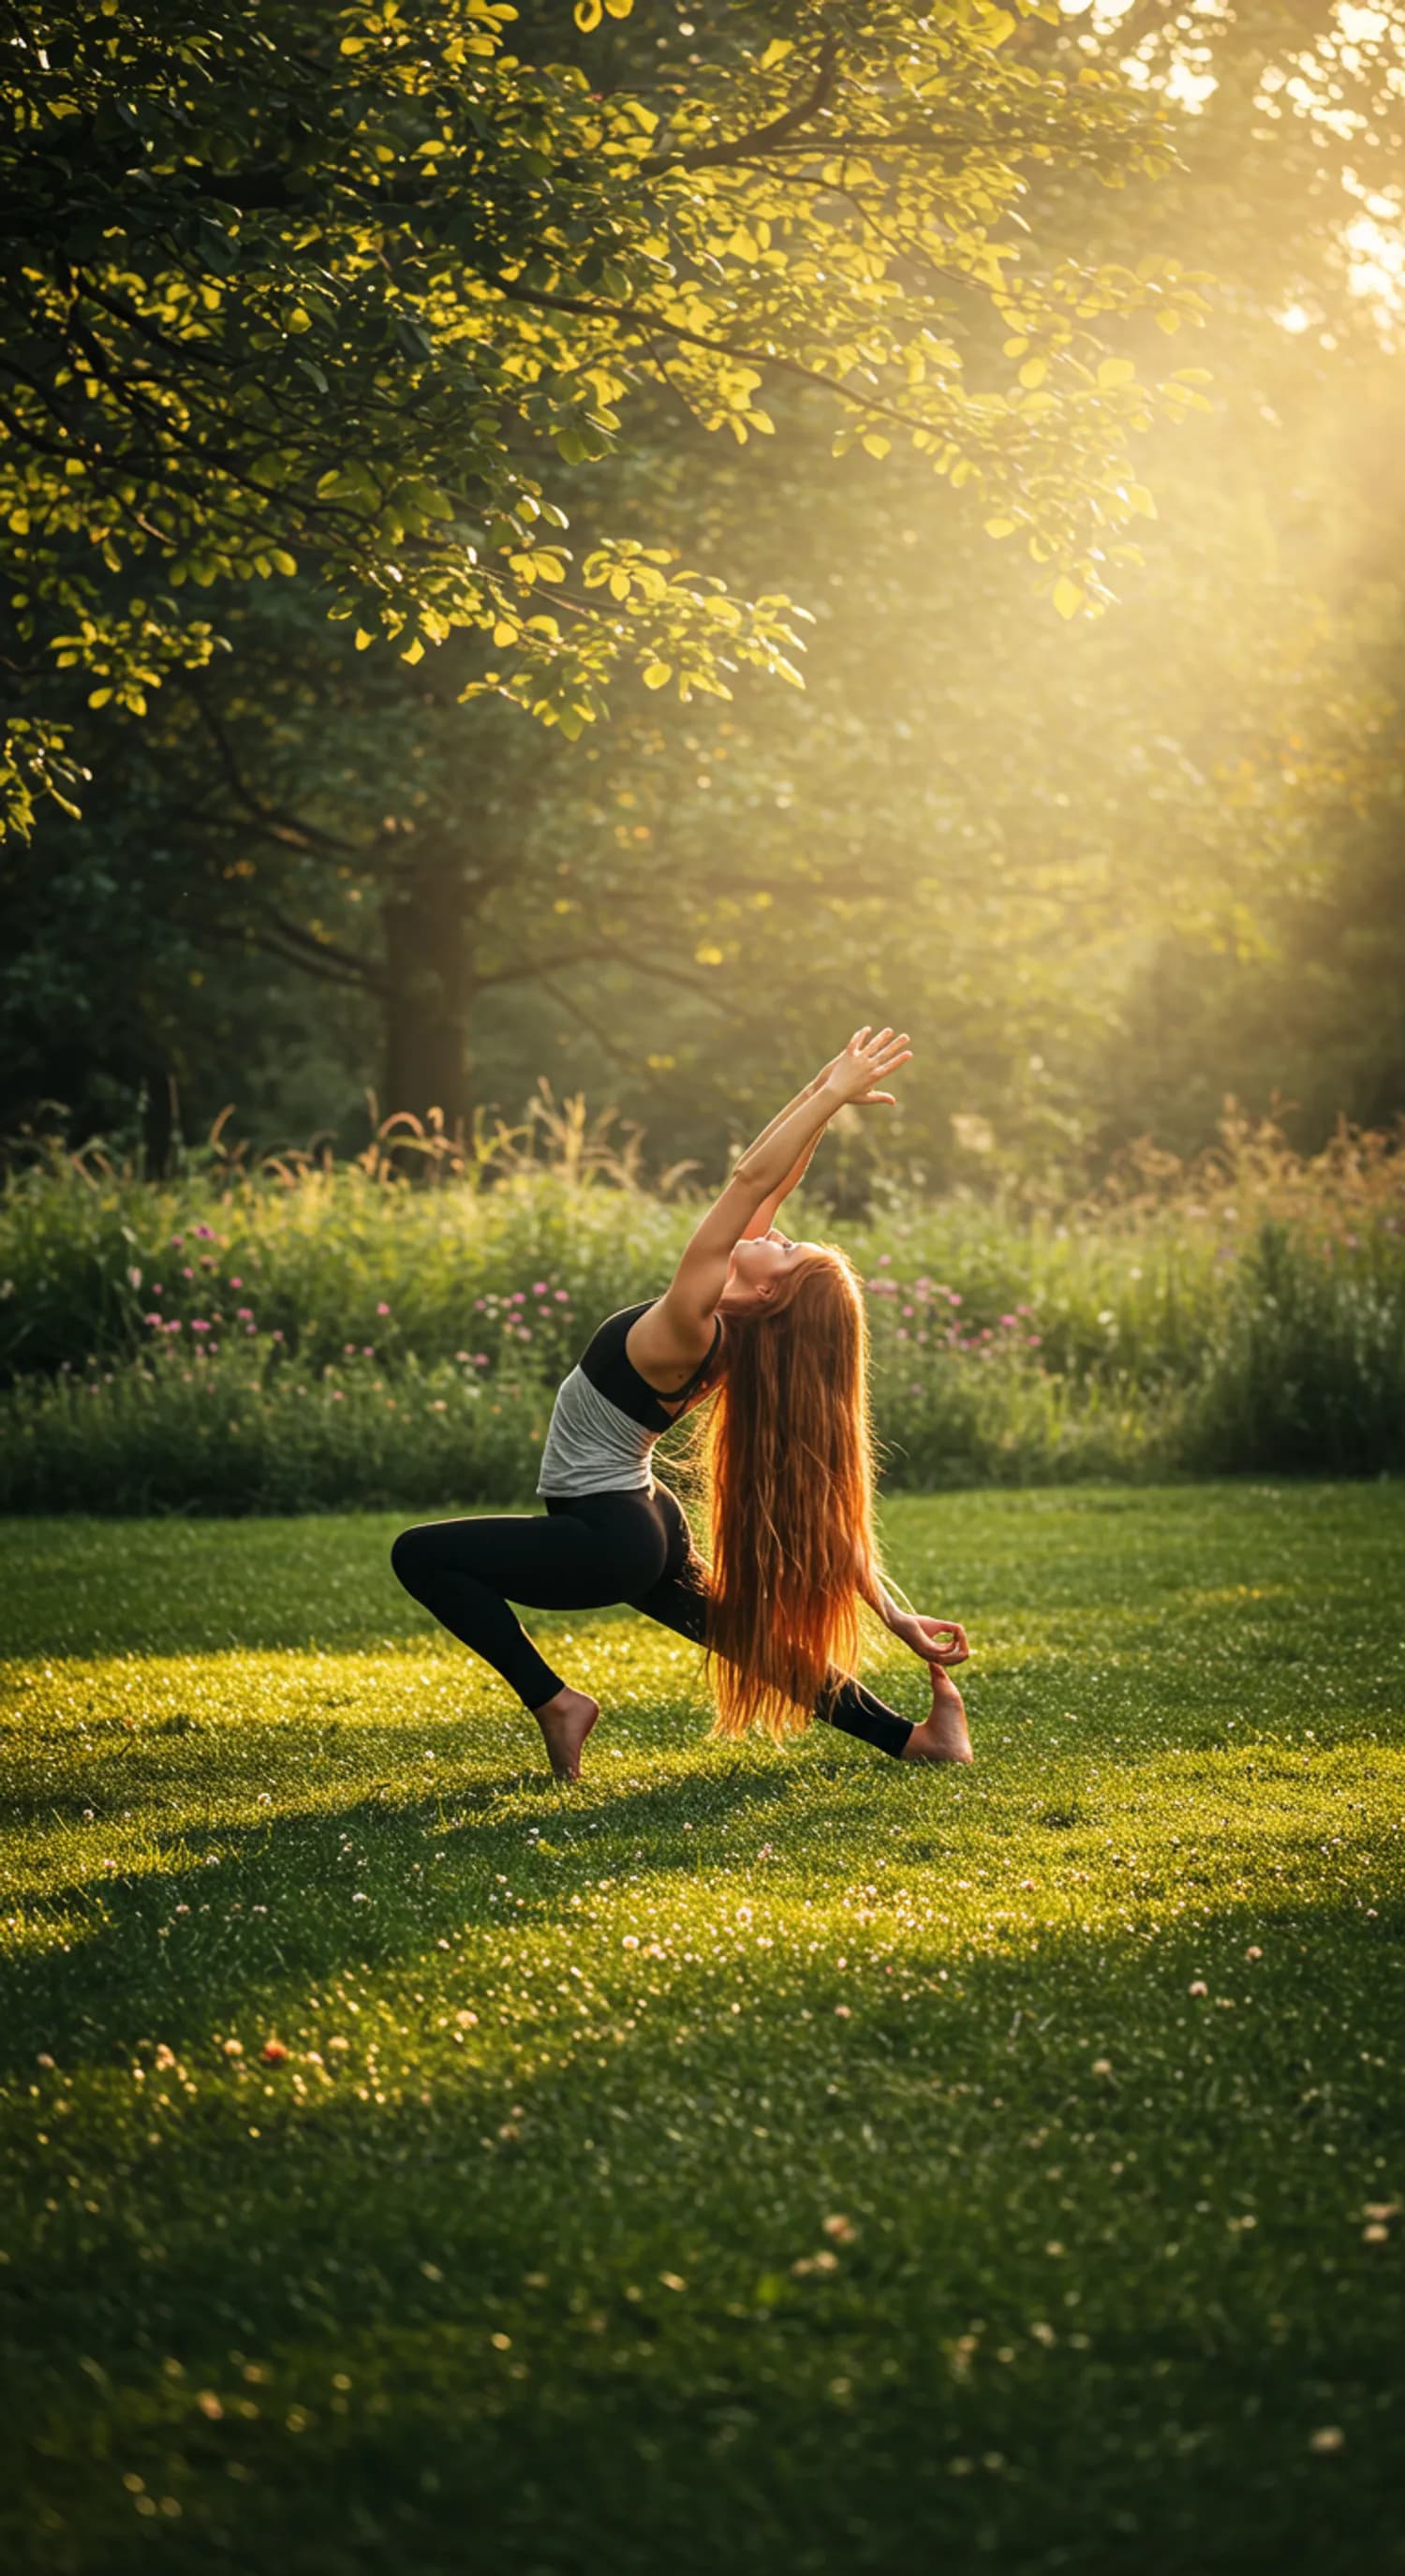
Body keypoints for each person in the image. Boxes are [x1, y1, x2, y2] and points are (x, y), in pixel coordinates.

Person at [391, 1028, 972, 1779]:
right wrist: (826, 1095)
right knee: (747, 1640)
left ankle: (556, 1702)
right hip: (640, 1517)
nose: (781, 1233)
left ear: (767, 1293)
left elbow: (745, 1181)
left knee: (421, 1555)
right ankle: (917, 1741)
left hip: (609, 1535)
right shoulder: (734, 1331)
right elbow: (771, 1182)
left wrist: (828, 1097)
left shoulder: (688, 1325)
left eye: (788, 1251)